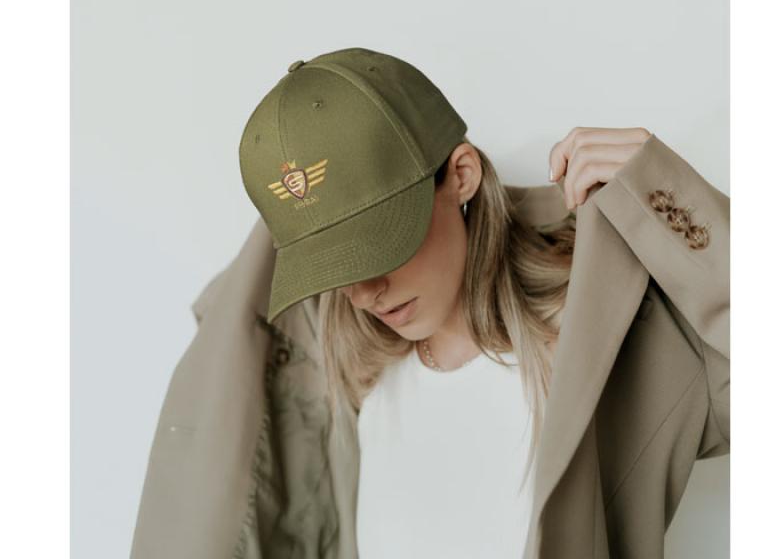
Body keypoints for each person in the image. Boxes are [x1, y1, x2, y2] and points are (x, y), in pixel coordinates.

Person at [130, 46, 729, 559]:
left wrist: (663, 191)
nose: (362, 293)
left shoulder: (611, 334)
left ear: (461, 175)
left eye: (376, 249)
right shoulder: (333, 366)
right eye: (332, 269)